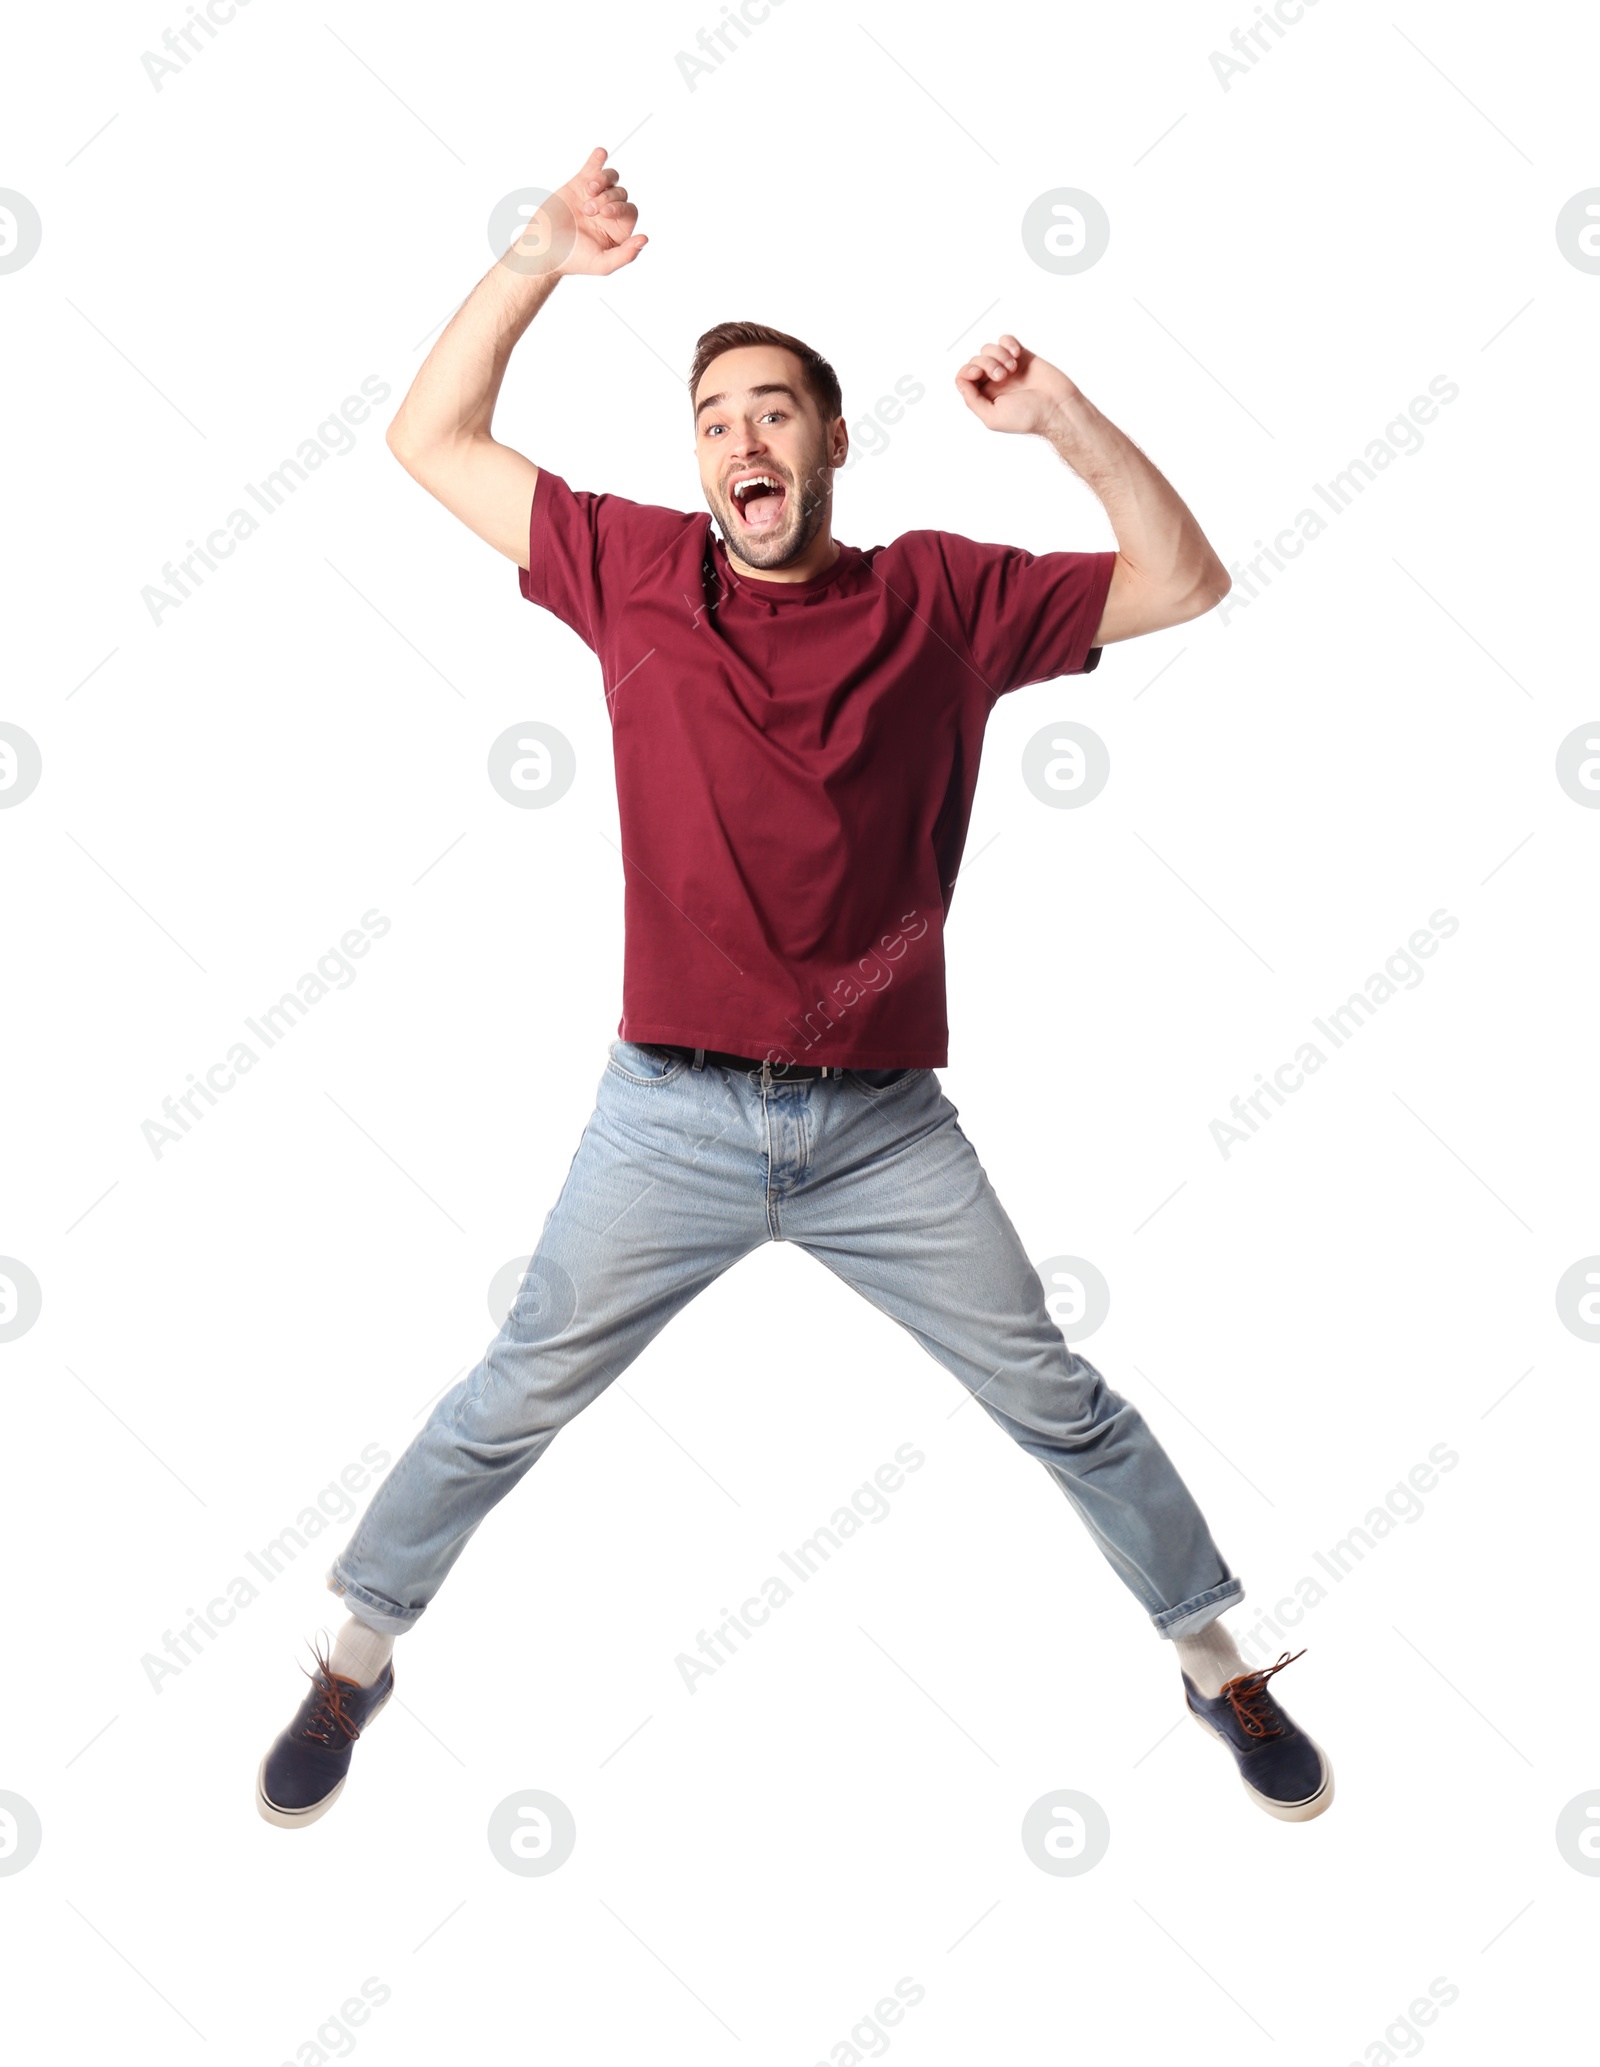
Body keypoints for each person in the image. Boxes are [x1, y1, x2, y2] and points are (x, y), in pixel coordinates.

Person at [256, 147, 1331, 1830]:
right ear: (697, 462)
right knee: (510, 1393)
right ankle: (349, 1660)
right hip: (668, 1116)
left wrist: (1067, 422)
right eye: (714, 420)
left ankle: (1216, 1662)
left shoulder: (942, 599)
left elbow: (1185, 584)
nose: (742, 441)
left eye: (774, 412)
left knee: (1055, 1394)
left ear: (832, 441)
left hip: (881, 1133)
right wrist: (536, 257)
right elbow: (430, 442)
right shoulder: (630, 574)